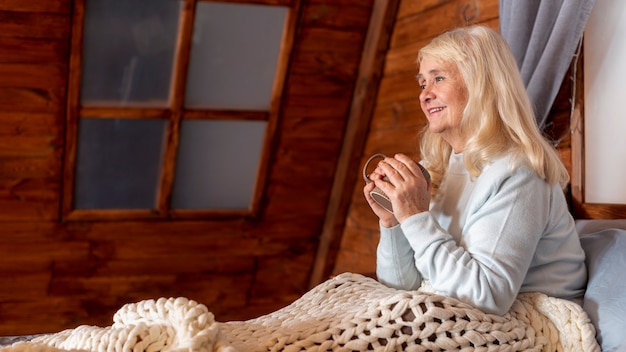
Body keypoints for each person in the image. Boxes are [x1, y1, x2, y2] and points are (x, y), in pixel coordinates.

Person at [363, 25, 587, 316]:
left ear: (482, 84)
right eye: (422, 84)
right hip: (462, 317)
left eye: (438, 78)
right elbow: (398, 287)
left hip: (533, 323)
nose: (424, 95)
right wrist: (395, 223)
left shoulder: (518, 172)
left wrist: (417, 218)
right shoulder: (438, 168)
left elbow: (486, 298)